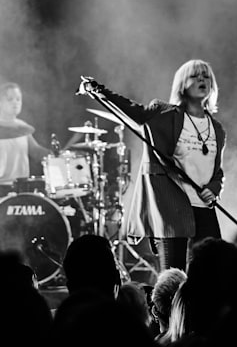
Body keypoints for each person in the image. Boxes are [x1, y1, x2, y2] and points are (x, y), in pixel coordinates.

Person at [78, 59, 226, 272]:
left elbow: (217, 171)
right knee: (173, 279)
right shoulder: (163, 114)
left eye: (206, 76)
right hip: (171, 208)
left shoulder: (217, 129)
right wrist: (99, 91)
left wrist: (214, 188)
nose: (202, 79)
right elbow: (132, 111)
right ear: (182, 84)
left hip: (204, 209)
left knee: (212, 274)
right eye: (195, 76)